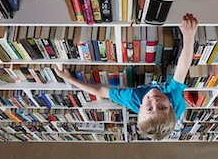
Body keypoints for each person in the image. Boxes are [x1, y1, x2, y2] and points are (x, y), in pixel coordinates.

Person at [55, 13, 198, 140]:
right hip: (176, 113)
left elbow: (100, 91)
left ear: (140, 108)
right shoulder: (176, 101)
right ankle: (173, 129)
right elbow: (183, 68)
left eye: (149, 109)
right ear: (170, 106)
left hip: (156, 107)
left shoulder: (132, 98)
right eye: (162, 107)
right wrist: (189, 37)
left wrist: (69, 79)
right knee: (176, 121)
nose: (155, 102)